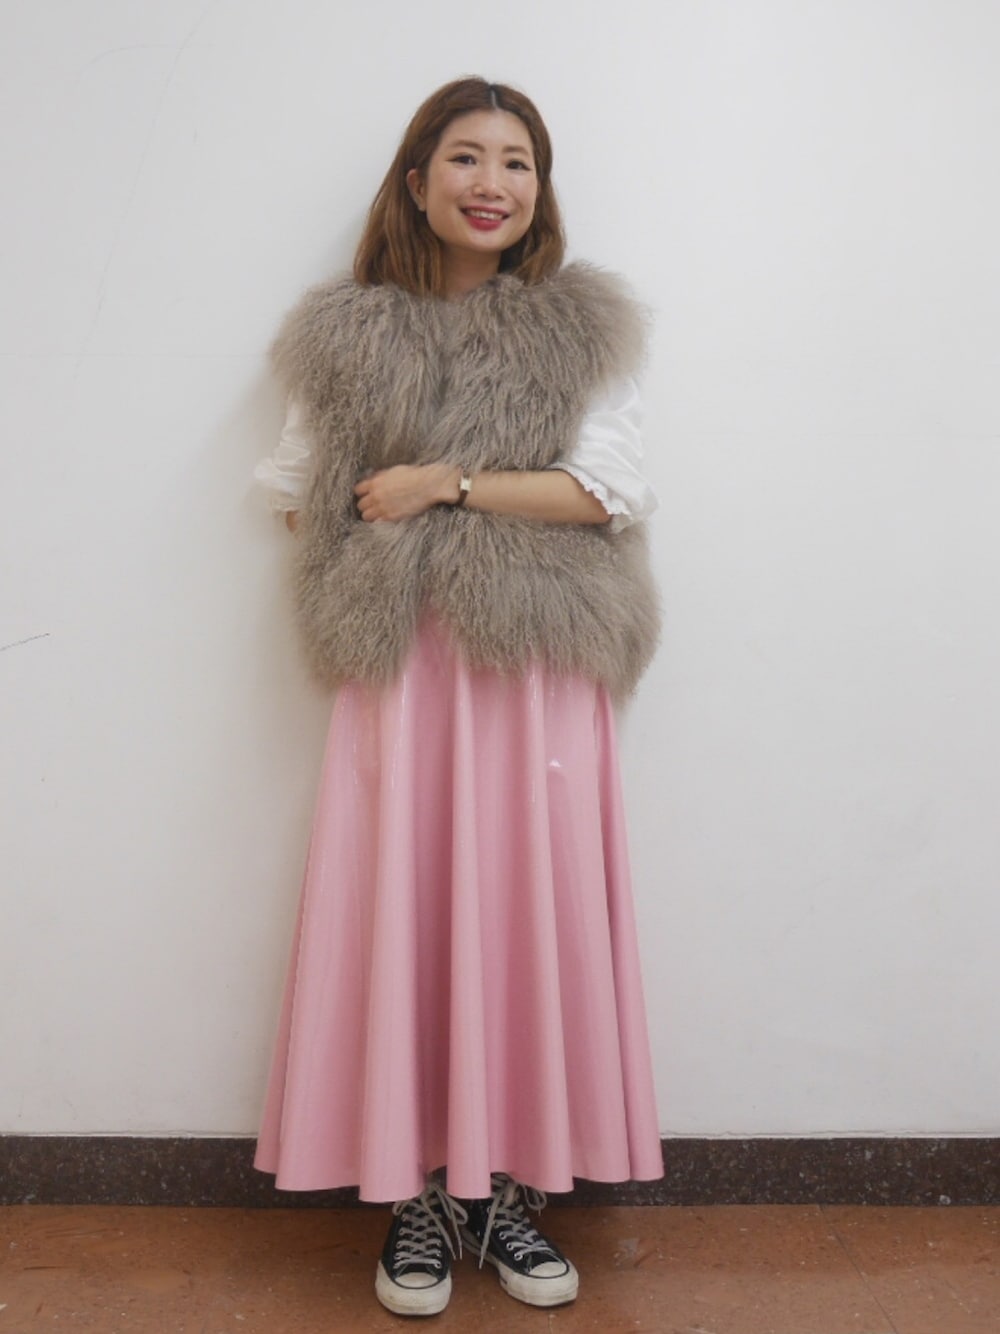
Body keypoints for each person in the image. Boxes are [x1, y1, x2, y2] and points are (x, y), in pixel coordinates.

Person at [253, 76, 663, 1318]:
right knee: (407, 912)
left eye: (518, 161)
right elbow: (298, 488)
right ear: (417, 178)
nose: (493, 183)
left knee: (521, 914)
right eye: (467, 157)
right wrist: (384, 541)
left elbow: (607, 491)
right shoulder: (343, 335)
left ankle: (504, 1189)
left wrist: (444, 485)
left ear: (540, 188)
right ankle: (418, 1196)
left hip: (533, 673)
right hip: (403, 674)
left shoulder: (579, 328)